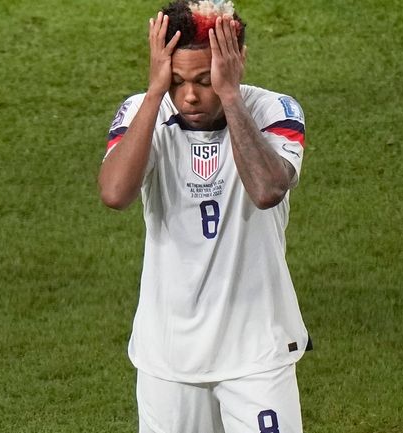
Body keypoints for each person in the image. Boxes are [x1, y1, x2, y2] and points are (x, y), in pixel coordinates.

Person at [98, 1, 311, 432]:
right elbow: (115, 193)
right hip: (168, 356)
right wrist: (155, 93)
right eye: (177, 80)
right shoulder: (145, 111)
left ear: (236, 63)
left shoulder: (276, 111)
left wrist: (230, 96)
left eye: (205, 80)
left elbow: (267, 189)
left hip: (257, 353)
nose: (190, 95)